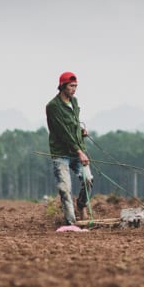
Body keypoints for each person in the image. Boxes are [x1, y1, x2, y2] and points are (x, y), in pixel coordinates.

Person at [46, 71, 93, 224]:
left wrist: (81, 132)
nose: (74, 89)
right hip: (61, 154)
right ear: (62, 86)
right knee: (65, 189)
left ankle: (81, 205)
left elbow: (72, 125)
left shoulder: (74, 102)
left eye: (76, 86)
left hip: (77, 151)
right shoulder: (53, 106)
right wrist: (80, 152)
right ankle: (71, 224)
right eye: (71, 86)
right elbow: (62, 131)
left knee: (88, 179)